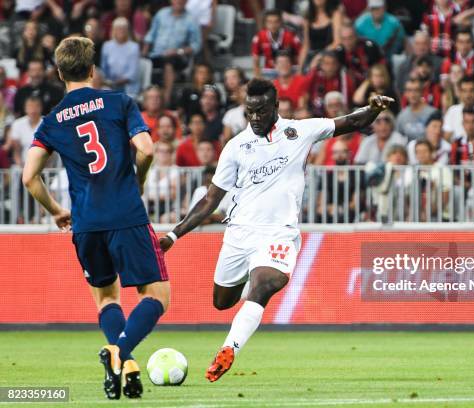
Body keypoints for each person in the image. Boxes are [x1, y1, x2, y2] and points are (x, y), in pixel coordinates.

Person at [158, 78, 393, 382]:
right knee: (222, 302)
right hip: (240, 234)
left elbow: (350, 122)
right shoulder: (236, 147)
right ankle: (246, 288)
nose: (254, 118)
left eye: (260, 111)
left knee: (265, 284)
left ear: (275, 107)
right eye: (249, 112)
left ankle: (229, 348)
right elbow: (211, 199)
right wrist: (173, 235)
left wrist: (372, 109)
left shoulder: (299, 131)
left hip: (279, 232)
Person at [22, 37, 169, 399]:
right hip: (126, 215)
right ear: (92, 70)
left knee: (106, 299)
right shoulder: (119, 103)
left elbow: (28, 177)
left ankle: (127, 363)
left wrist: (56, 211)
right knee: (156, 296)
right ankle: (119, 351)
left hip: (86, 224)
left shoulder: (53, 120)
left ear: (59, 73)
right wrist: (138, 179)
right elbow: (147, 150)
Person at [143, 0, 202, 105]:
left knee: (169, 61)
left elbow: (196, 45)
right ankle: (143, 98)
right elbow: (151, 35)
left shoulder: (191, 19)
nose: (179, 1)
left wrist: (179, 51)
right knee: (140, 61)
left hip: (178, 56)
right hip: (156, 54)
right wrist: (144, 52)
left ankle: (166, 98)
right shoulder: (161, 14)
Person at [252, 8, 302, 78]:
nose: (273, 25)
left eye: (276, 22)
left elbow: (300, 56)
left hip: (290, 69)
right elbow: (256, 61)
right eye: (269, 22)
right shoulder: (259, 37)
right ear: (265, 23)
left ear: (281, 22)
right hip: (270, 71)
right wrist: (258, 79)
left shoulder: (291, 36)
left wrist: (298, 75)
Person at [100, 17, 140, 98]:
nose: (121, 31)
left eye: (123, 28)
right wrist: (107, 81)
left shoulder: (134, 47)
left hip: (128, 85)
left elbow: (132, 73)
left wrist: (116, 82)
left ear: (128, 31)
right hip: (109, 84)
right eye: (118, 28)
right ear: (113, 30)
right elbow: (103, 68)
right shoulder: (106, 46)